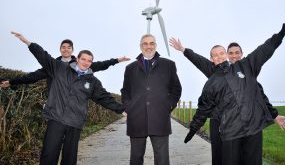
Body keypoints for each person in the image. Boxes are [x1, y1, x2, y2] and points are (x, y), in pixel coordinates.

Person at [182, 21, 285, 165]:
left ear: (226, 55)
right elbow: (204, 107)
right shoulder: (212, 79)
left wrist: (280, 35)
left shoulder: (246, 67)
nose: (220, 57)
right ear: (211, 59)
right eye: (216, 55)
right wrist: (193, 129)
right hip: (229, 129)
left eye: (222, 53)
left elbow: (263, 51)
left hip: (252, 127)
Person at [10, 31, 125, 165]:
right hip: (56, 118)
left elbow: (104, 98)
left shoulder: (93, 81)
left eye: (89, 61)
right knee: (49, 154)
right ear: (77, 59)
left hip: (75, 122)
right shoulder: (59, 68)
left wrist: (121, 109)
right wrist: (27, 42)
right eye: (83, 59)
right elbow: (42, 55)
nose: (86, 62)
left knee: (69, 159)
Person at [121, 34, 182, 165]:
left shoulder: (169, 65)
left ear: (156, 45)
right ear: (140, 46)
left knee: (162, 159)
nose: (148, 46)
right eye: (145, 44)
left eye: (151, 43)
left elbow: (176, 89)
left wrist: (168, 106)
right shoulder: (130, 68)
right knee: (136, 158)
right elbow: (125, 91)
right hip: (136, 119)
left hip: (160, 119)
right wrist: (128, 108)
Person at [0, 39, 130, 89]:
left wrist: (117, 60)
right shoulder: (53, 66)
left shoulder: (80, 64)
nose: (66, 49)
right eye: (63, 47)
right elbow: (32, 77)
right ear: (60, 49)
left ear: (72, 50)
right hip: (56, 104)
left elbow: (100, 65)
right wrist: (11, 82)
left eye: (69, 47)